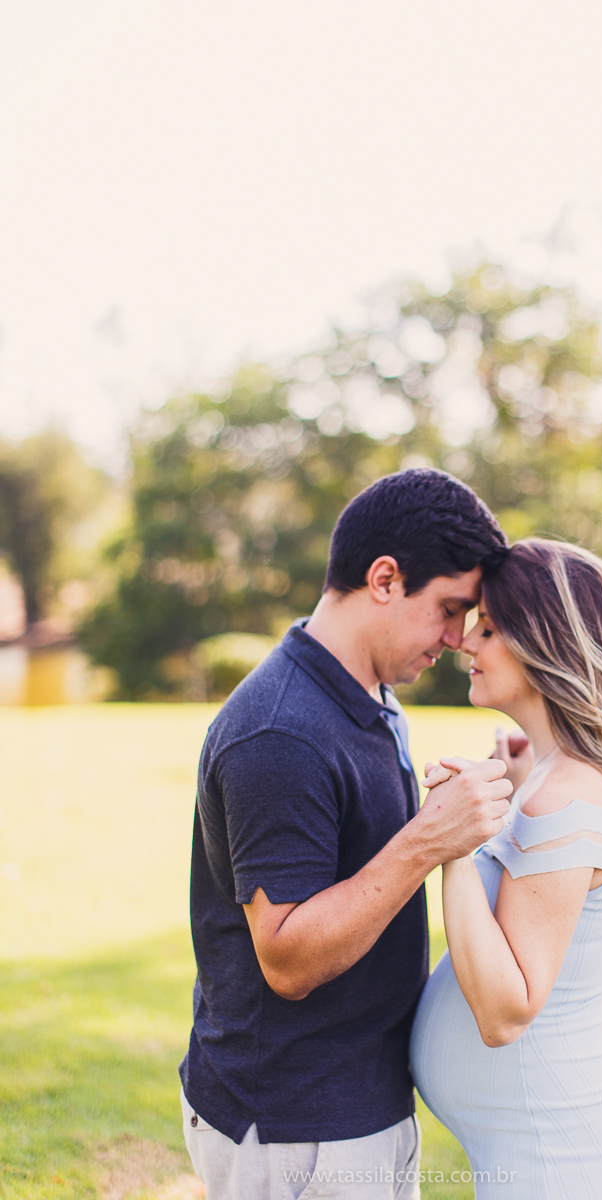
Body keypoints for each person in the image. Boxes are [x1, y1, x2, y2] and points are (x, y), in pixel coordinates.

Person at [179, 468, 513, 1200]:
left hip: (358, 1103)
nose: (458, 639)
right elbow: (287, 959)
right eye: (449, 609)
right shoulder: (281, 732)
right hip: (295, 1126)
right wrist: (428, 841)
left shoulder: (371, 692)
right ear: (385, 579)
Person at [411, 537, 602, 1200]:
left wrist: (453, 847)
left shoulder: (568, 795)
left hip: (568, 1161)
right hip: (548, 1150)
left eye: (488, 628)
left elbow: (505, 1012)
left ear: (544, 643)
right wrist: (512, 786)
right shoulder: (553, 778)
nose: (465, 642)